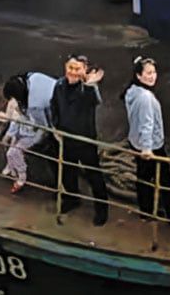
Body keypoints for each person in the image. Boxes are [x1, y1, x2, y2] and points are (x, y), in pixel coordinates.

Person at [50, 54, 108, 225]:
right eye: (70, 68)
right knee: (68, 172)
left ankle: (102, 209)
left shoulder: (88, 89)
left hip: (85, 140)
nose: (73, 72)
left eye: (77, 69)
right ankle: (72, 199)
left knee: (93, 175)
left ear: (84, 70)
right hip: (65, 138)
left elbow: (96, 100)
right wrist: (55, 128)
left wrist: (90, 84)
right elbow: (54, 106)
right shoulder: (59, 85)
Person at [123, 57, 170, 221]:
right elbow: (147, 124)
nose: (152, 76)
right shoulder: (146, 98)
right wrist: (147, 148)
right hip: (150, 145)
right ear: (138, 75)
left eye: (154, 72)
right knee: (163, 180)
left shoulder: (132, 91)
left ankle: (146, 211)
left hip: (136, 141)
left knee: (143, 178)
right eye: (148, 73)